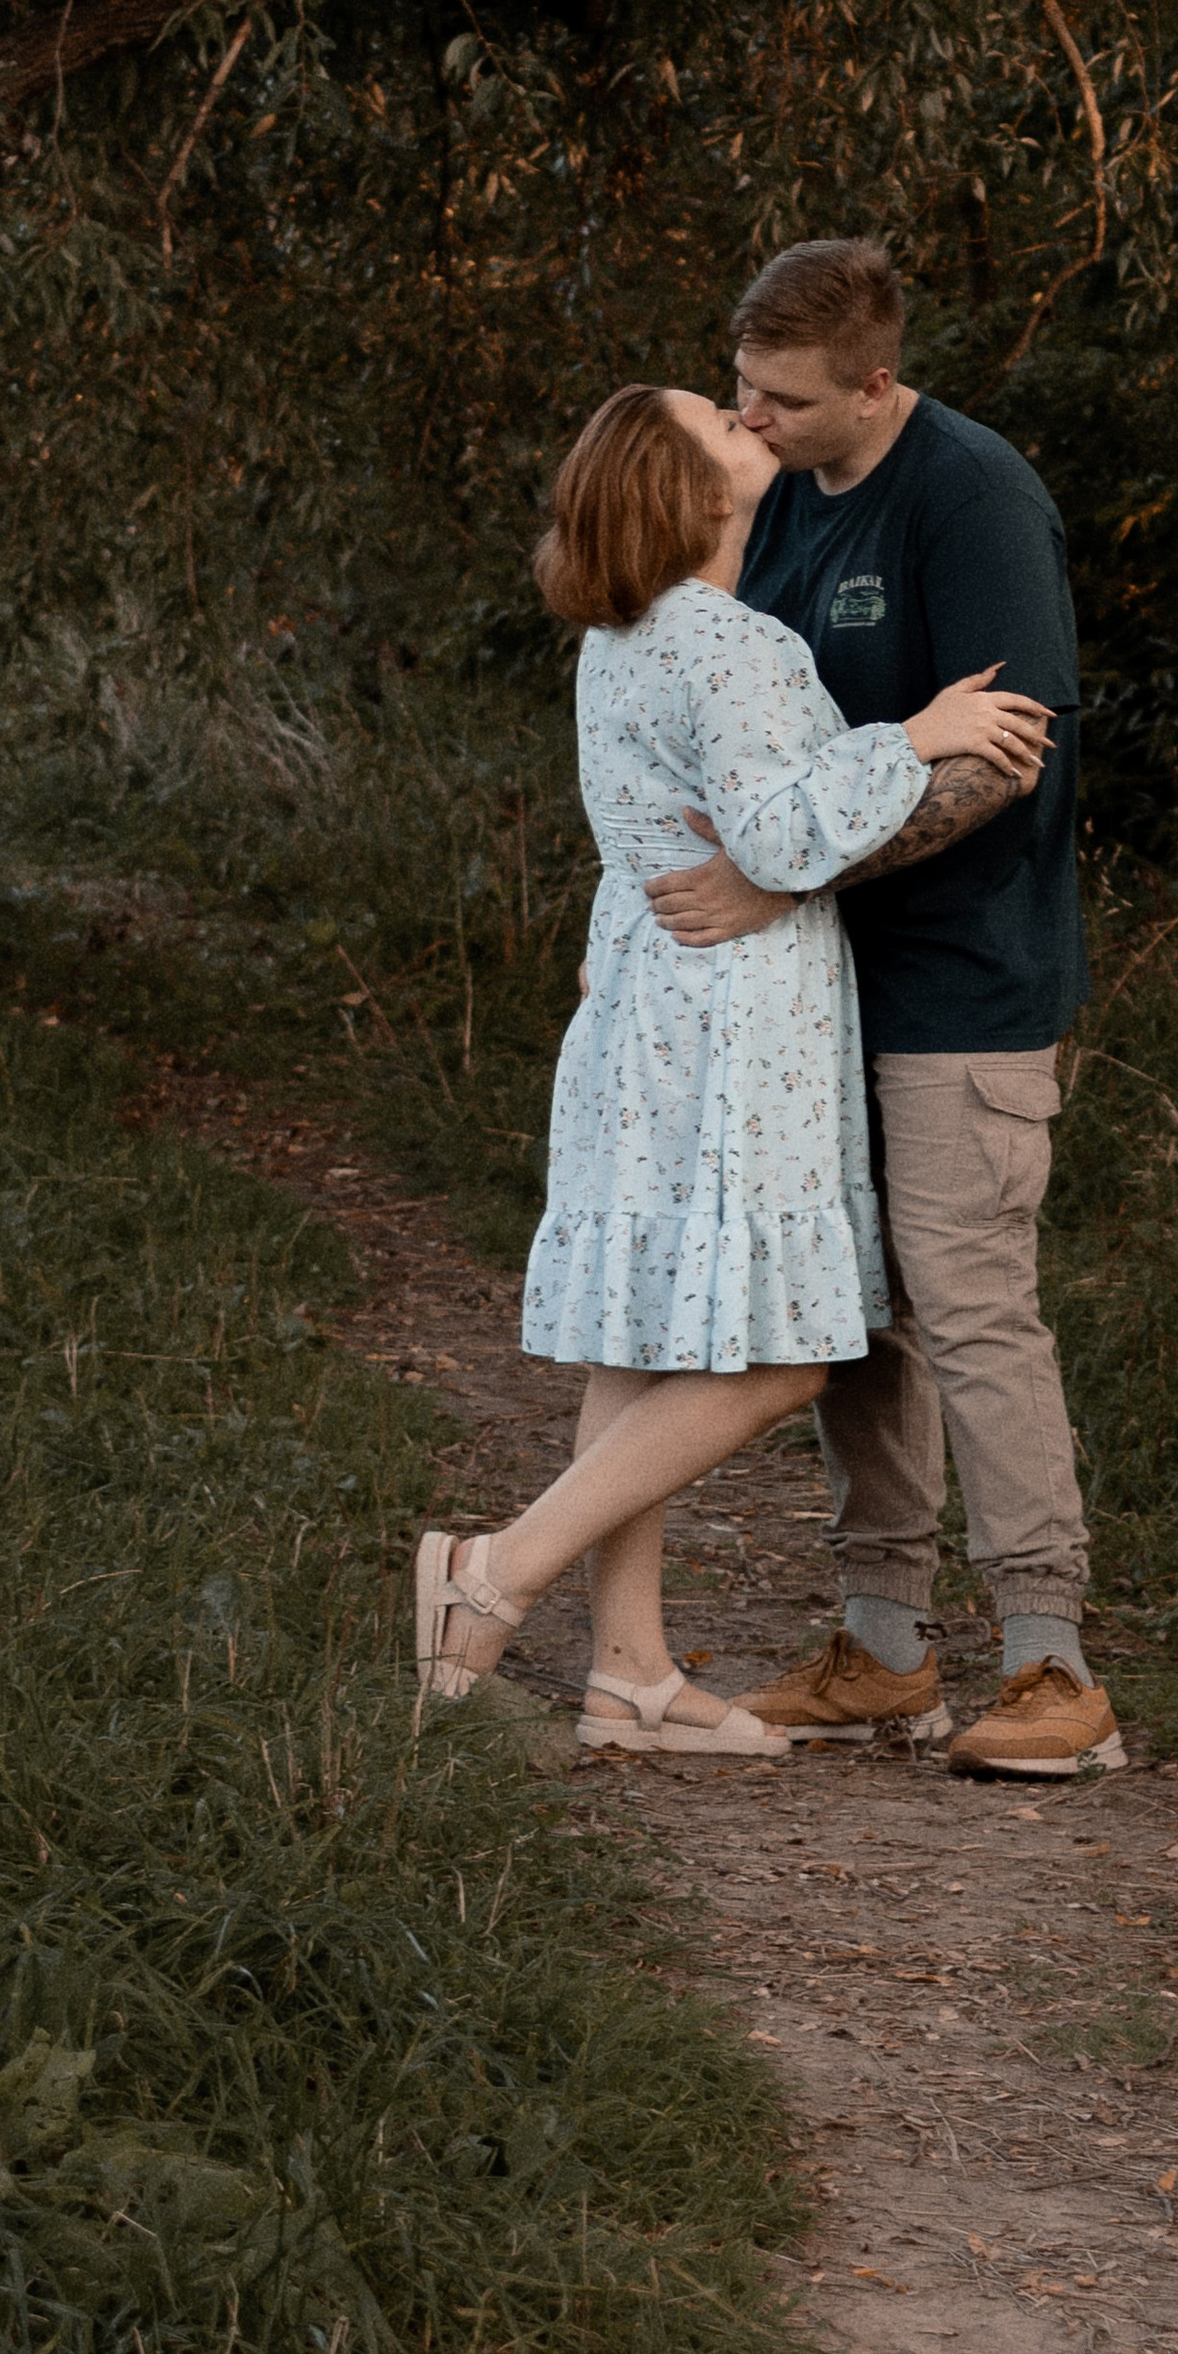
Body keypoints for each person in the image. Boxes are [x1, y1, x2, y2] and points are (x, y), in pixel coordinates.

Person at [412, 380, 1051, 1757]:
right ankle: (496, 1571)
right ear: (695, 491)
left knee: (643, 1336)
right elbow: (775, 834)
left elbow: (657, 827)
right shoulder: (733, 645)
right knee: (793, 1356)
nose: (746, 418)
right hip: (731, 1031)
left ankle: (630, 1672)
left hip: (647, 1012)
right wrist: (921, 735)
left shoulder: (621, 637)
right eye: (721, 418)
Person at [645, 236, 1117, 1781]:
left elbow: (1000, 755)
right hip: (818, 989)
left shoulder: (972, 495)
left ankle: (1053, 1666)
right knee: (859, 1320)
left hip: (966, 981)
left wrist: (789, 878)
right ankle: (885, 1647)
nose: (750, 419)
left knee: (972, 1304)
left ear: (875, 384)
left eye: (780, 398)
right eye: (739, 388)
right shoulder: (773, 496)